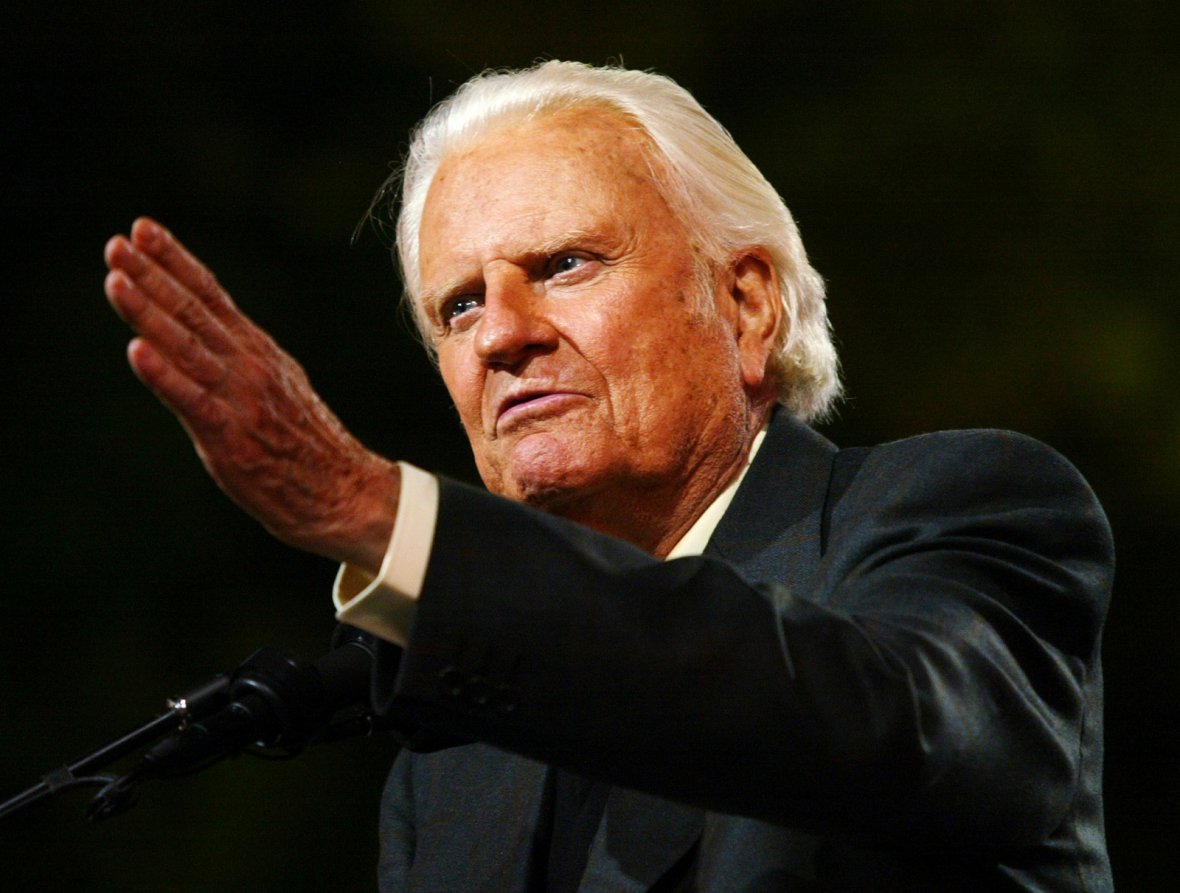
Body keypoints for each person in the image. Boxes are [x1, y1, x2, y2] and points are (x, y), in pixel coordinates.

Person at [103, 61, 1114, 892]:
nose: (501, 333)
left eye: (562, 265)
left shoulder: (967, 511)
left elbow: (881, 730)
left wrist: (379, 512)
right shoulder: (451, 772)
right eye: (457, 305)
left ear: (747, 304)